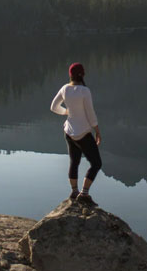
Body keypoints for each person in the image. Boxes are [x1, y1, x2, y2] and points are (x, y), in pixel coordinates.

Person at [50, 62, 102, 203]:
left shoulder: (65, 89)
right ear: (82, 75)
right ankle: (84, 194)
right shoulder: (85, 91)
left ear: (70, 75)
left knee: (74, 162)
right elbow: (90, 114)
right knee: (96, 163)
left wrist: (66, 111)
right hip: (83, 133)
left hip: (69, 132)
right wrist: (97, 131)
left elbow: (53, 107)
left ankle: (74, 192)